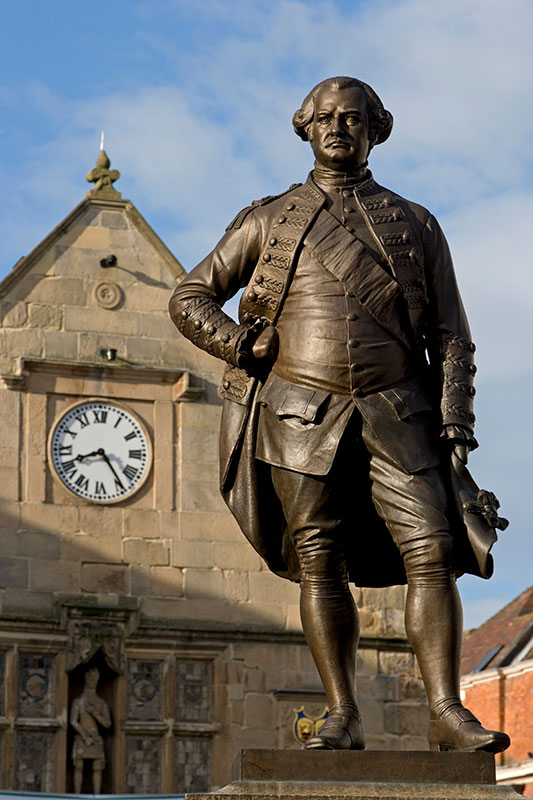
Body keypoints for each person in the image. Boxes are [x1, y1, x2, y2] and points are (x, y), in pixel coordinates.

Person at [169, 76, 509, 753]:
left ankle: (445, 710)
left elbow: (450, 337)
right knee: (318, 558)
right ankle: (340, 712)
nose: (337, 129)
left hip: (398, 412)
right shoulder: (268, 220)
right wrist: (239, 343)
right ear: (304, 127)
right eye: (324, 118)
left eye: (352, 119)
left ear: (375, 128)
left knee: (431, 553)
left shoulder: (414, 223)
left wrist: (456, 429)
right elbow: (188, 297)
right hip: (297, 413)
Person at [70, 667, 111, 793]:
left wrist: (95, 714)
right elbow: (73, 721)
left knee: (97, 767)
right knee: (79, 765)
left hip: (96, 738)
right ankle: (77, 794)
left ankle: (97, 795)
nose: (92, 681)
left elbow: (107, 724)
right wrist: (84, 736)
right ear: (86, 679)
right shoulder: (78, 701)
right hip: (83, 738)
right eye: (90, 678)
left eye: (95, 679)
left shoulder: (101, 702)